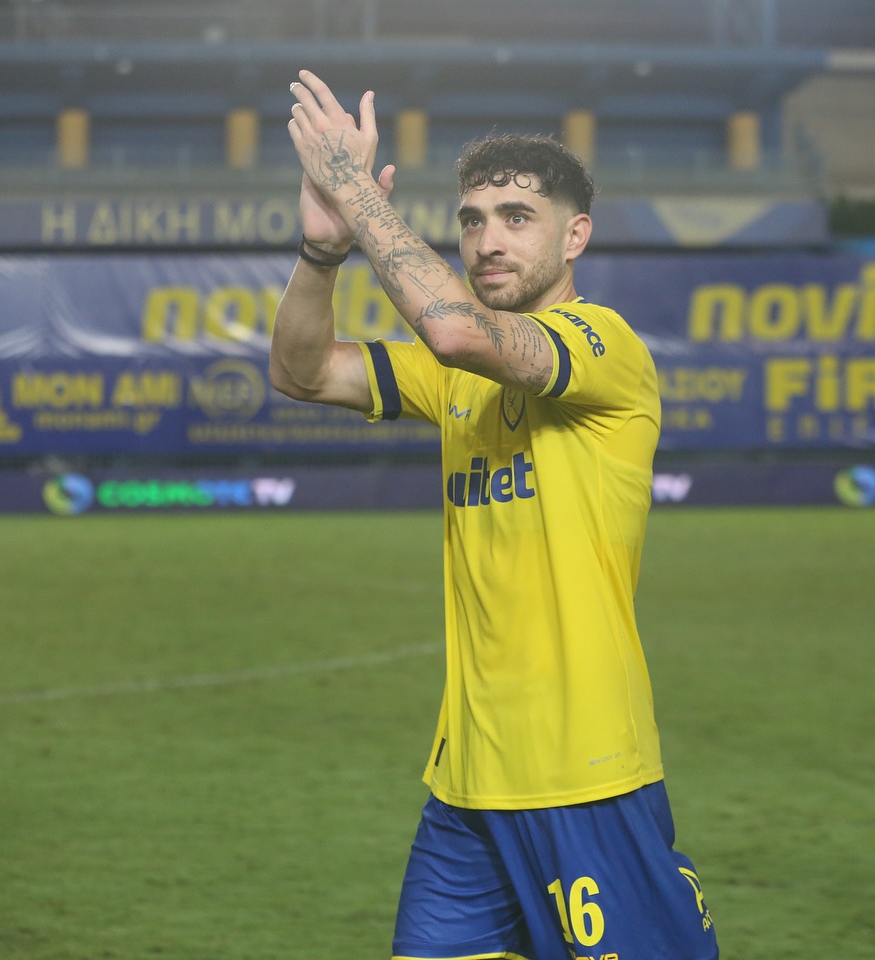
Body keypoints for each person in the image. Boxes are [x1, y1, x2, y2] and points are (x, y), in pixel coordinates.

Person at [269, 72, 718, 960]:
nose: (487, 240)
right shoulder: (456, 380)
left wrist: (354, 190)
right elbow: (301, 371)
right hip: (466, 785)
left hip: (585, 774)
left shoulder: (606, 346)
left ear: (575, 235)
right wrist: (321, 254)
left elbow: (455, 332)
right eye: (471, 220)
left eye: (517, 217)